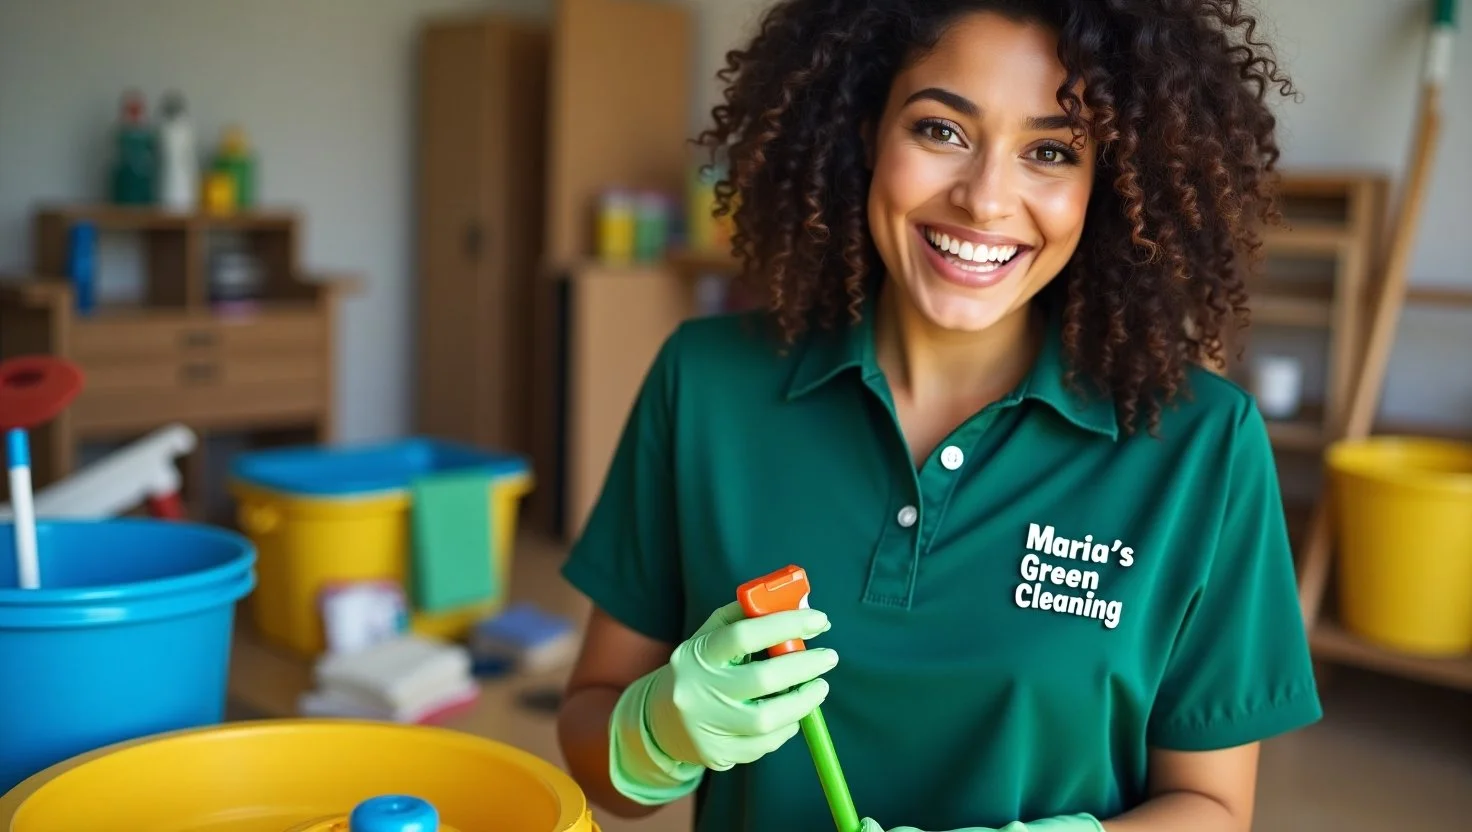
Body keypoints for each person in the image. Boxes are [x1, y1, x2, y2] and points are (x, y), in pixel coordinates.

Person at [555, 1, 1323, 830]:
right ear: (865, 133)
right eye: (940, 131)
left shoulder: (1205, 447)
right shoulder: (706, 383)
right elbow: (596, 748)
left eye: (1052, 151)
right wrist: (655, 734)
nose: (985, 201)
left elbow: (1212, 807)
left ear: (1105, 184)